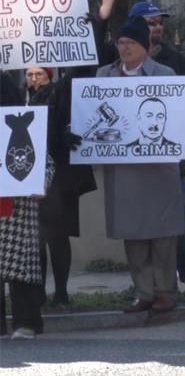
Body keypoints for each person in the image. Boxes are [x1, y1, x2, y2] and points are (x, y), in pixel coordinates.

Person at [94, 0, 185, 292]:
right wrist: (105, 8)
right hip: (125, 163)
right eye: (150, 22)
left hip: (165, 161)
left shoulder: (172, 64)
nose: (157, 26)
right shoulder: (108, 69)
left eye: (159, 22)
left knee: (175, 217)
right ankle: (145, 289)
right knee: (134, 224)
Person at [65, 16, 185, 313]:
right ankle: (143, 291)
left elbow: (181, 116)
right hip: (123, 168)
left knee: (162, 233)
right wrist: (74, 128)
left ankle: (166, 291)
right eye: (120, 42)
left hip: (158, 168)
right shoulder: (104, 75)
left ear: (144, 45)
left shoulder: (165, 74)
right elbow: (88, 112)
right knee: (133, 232)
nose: (124, 47)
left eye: (130, 42)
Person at [0, 71, 54, 339]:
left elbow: (45, 160)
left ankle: (28, 322)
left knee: (20, 267)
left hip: (19, 206)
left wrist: (43, 182)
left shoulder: (24, 122)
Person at [40, 65, 99, 308]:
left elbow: (83, 75)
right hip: (30, 178)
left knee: (58, 235)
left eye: (39, 74)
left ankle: (61, 294)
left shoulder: (63, 90)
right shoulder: (19, 97)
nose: (34, 78)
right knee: (35, 238)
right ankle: (38, 294)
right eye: (30, 74)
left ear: (49, 75)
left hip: (61, 176)